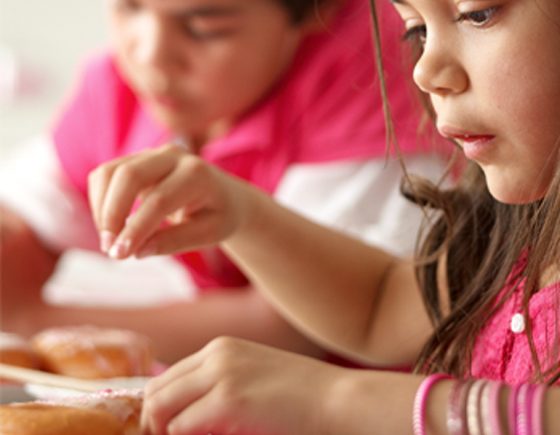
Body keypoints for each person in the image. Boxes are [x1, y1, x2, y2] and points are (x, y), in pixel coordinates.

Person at [87, 0, 560, 432]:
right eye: (415, 30)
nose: (426, 71)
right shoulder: (514, 230)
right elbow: (380, 307)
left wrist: (339, 399)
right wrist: (242, 214)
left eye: (477, 14)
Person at [0, 0, 445, 364]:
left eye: (204, 27)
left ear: (315, 12)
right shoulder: (120, 82)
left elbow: (310, 323)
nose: (150, 54)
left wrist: (36, 320)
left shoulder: (373, 89)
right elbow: (30, 215)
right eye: (129, 7)